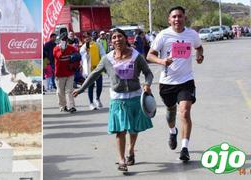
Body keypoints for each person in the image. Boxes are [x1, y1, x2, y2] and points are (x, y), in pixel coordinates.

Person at [73, 28, 154, 172]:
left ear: (126, 38)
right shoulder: (107, 59)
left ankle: (131, 150)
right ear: (111, 42)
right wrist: (81, 89)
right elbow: (94, 75)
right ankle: (121, 159)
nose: (117, 40)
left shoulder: (136, 56)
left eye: (120, 36)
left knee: (134, 129)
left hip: (136, 97)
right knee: (120, 131)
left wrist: (147, 84)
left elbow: (148, 73)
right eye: (114, 37)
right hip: (118, 99)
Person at [146, 6, 204, 162]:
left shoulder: (192, 34)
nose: (177, 19)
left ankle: (184, 148)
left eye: (180, 16)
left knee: (184, 112)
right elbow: (150, 55)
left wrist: (200, 55)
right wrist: (162, 61)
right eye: (174, 17)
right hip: (167, 83)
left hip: (186, 81)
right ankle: (172, 131)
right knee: (170, 113)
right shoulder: (163, 35)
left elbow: (199, 47)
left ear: (184, 18)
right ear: (169, 20)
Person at [54, 33, 80, 113]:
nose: (64, 41)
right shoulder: (56, 49)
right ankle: (63, 106)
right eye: (63, 40)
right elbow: (58, 56)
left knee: (69, 90)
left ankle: (71, 106)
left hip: (69, 73)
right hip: (60, 74)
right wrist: (62, 49)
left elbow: (78, 57)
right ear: (60, 41)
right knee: (60, 92)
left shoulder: (71, 48)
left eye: (66, 40)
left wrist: (74, 65)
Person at [80, 32, 106, 110]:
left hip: (98, 68)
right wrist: (87, 52)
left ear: (91, 37)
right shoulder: (83, 48)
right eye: (85, 37)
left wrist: (103, 64)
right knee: (90, 86)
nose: (87, 38)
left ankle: (97, 98)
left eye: (88, 36)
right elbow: (83, 58)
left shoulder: (97, 44)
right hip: (89, 70)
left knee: (99, 85)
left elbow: (103, 54)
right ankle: (91, 103)